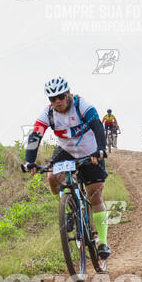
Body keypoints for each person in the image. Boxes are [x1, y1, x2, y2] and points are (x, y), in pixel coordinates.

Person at [23, 76, 110, 259]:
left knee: (95, 194)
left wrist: (101, 150)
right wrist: (29, 161)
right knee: (52, 177)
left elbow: (97, 127)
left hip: (90, 150)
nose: (57, 102)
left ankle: (102, 242)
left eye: (60, 97)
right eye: (52, 99)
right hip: (67, 150)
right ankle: (68, 203)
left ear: (68, 93)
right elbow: (35, 136)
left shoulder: (82, 106)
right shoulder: (47, 113)